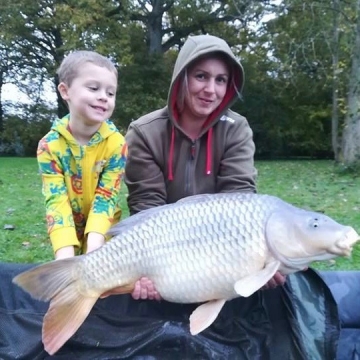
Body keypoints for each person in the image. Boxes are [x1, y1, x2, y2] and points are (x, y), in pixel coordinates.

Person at [124, 34, 285, 300]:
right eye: (201, 76)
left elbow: (239, 201)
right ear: (181, 79)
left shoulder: (237, 129)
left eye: (220, 80)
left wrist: (257, 266)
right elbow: (146, 208)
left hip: (222, 248)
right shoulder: (144, 132)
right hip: (163, 248)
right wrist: (153, 268)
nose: (211, 89)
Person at [37, 50, 127, 260]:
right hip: (67, 232)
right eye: (94, 88)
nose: (103, 97)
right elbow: (56, 203)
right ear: (65, 91)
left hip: (104, 234)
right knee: (68, 280)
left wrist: (93, 254)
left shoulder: (117, 144)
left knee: (101, 283)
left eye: (111, 93)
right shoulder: (48, 147)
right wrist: (65, 259)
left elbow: (106, 198)